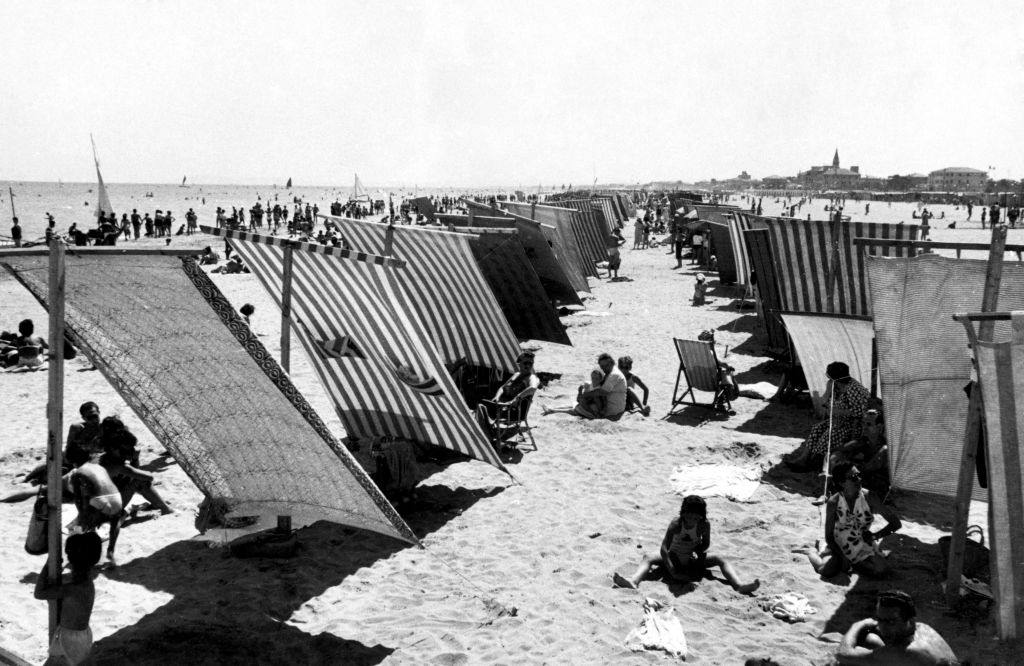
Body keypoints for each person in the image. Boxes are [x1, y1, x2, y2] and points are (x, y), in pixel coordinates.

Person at [613, 495, 760, 594]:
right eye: (689, 513)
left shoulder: (704, 525)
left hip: (691, 559)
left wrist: (699, 551)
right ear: (683, 512)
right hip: (674, 557)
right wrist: (672, 570)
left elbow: (706, 544)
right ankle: (634, 581)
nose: (692, 517)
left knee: (720, 559)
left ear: (701, 515)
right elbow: (664, 549)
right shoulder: (676, 524)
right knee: (648, 557)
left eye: (696, 515)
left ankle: (738, 585)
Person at [796, 462, 901, 579]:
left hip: (861, 543)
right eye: (853, 477)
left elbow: (896, 523)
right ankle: (811, 552)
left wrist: (875, 536)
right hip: (839, 544)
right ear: (842, 483)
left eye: (859, 475)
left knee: (882, 571)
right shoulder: (834, 502)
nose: (859, 479)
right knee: (826, 571)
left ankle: (853, 563)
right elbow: (829, 536)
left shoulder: (869, 497)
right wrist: (841, 556)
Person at [783, 362, 871, 472]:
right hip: (836, 420)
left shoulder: (854, 389)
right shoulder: (835, 385)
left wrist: (837, 412)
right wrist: (829, 391)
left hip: (852, 425)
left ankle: (813, 463)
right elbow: (825, 403)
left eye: (830, 377)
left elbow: (859, 413)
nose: (828, 379)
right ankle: (803, 459)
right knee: (817, 428)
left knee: (829, 435)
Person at [34, 531, 103, 666]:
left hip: (70, 639)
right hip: (81, 636)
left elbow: (39, 593)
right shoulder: (85, 582)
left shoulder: (74, 588)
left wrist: (48, 565)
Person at [836, 590, 957, 664]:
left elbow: (842, 654)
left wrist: (857, 625)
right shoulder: (924, 628)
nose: (882, 626)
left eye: (890, 621)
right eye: (880, 619)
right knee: (871, 639)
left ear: (909, 619)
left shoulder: (903, 652)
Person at [543, 353, 627, 420]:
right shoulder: (611, 372)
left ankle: (552, 410)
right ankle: (551, 408)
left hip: (610, 410)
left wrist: (585, 395)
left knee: (578, 408)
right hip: (607, 405)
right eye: (602, 366)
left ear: (612, 363)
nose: (604, 368)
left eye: (606, 365)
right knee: (577, 404)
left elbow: (602, 392)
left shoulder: (614, 375)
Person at [476, 352, 541, 440]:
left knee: (481, 409)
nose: (528, 366)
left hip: (513, 410)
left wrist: (517, 397)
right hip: (503, 406)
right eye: (526, 363)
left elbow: (533, 388)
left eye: (531, 363)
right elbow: (503, 387)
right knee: (480, 406)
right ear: (519, 364)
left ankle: (486, 435)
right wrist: (497, 396)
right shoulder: (516, 375)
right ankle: (486, 433)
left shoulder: (531, 377)